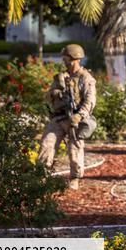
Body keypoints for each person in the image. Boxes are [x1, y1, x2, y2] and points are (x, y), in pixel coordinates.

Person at [37, 44, 97, 189]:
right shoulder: (61, 77)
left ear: (74, 59)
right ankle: (41, 176)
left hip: (75, 119)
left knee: (74, 148)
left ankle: (75, 178)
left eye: (66, 58)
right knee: (47, 143)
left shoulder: (86, 78)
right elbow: (48, 96)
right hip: (59, 118)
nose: (63, 60)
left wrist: (78, 116)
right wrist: (54, 93)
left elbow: (90, 101)